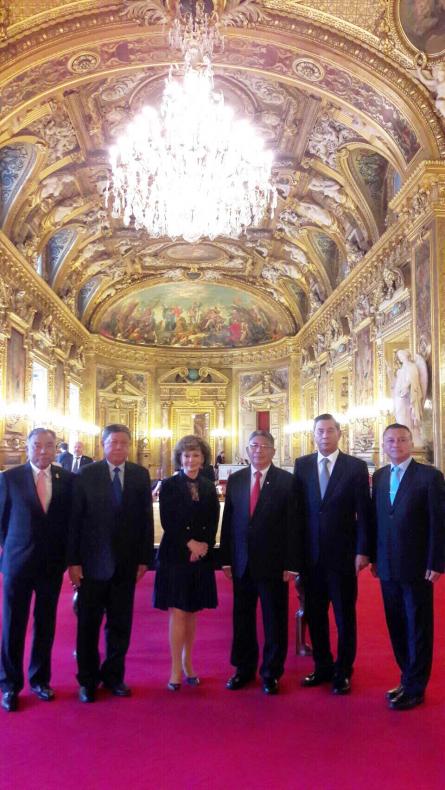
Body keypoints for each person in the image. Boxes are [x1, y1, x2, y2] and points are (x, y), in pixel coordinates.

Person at [67, 424, 154, 703]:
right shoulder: (86, 474)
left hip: (126, 565)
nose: (118, 447)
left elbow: (146, 520)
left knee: (120, 626)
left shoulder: (140, 475)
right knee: (88, 626)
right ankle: (88, 680)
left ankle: (114, 676)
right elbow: (75, 521)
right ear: (103, 445)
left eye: (123, 443)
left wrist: (144, 559)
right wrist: (73, 562)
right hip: (91, 565)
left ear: (129, 446)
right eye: (113, 442)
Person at [294, 414, 372, 695]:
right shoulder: (302, 465)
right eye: (320, 431)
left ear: (339, 433)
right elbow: (297, 513)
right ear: (313, 435)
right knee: (315, 615)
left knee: (344, 616)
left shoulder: (355, 467)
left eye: (330, 430)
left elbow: (364, 513)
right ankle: (323, 666)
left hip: (343, 556)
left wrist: (363, 550)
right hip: (310, 557)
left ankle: (343, 671)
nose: (325, 435)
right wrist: (294, 556)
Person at [370, 423, 445, 710]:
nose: (396, 444)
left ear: (410, 443)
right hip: (387, 565)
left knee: (418, 628)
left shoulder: (429, 476)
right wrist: (375, 558)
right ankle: (406, 677)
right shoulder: (379, 476)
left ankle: (415, 688)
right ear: (384, 444)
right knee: (397, 626)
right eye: (390, 440)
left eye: (402, 439)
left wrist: (436, 561)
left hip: (417, 566)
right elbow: (378, 519)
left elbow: (438, 522)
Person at [219, 430, 299, 695]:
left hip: (274, 564)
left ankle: (271, 673)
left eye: (264, 446)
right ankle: (243, 669)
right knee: (242, 619)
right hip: (241, 562)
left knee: (274, 620)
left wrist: (291, 563)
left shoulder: (287, 481)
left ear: (273, 451)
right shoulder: (237, 479)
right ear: (247, 449)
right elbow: (228, 522)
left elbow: (293, 526)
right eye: (254, 445)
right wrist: (226, 559)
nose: (259, 450)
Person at [0, 428, 73, 712]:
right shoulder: (9, 479)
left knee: (45, 624)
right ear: (28, 447)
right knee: (13, 625)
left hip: (50, 566)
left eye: (49, 445)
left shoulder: (67, 480)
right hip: (17, 565)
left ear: (56, 448)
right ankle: (9, 684)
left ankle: (40, 679)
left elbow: (69, 524)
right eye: (37, 445)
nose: (43, 450)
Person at [153, 435, 220, 690]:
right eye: (187, 455)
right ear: (180, 458)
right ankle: (174, 670)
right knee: (179, 611)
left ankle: (188, 663)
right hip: (176, 555)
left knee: (192, 612)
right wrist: (190, 543)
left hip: (200, 556)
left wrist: (203, 546)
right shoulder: (169, 485)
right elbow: (168, 520)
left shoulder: (208, 486)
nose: (191, 460)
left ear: (203, 459)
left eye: (196, 455)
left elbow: (213, 520)